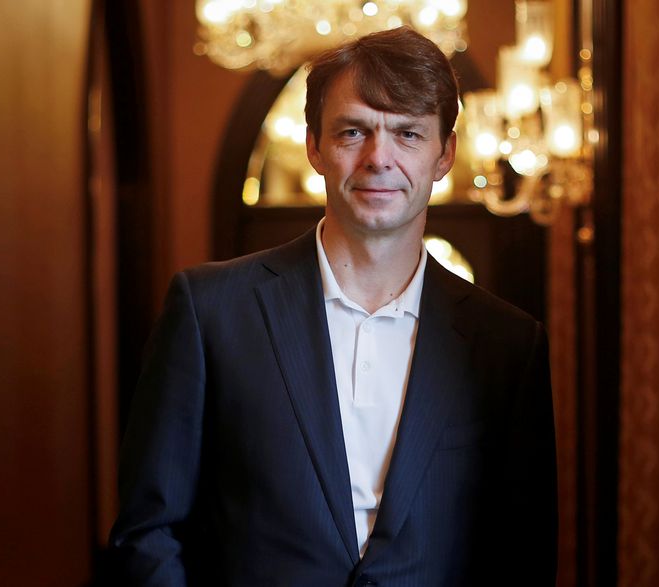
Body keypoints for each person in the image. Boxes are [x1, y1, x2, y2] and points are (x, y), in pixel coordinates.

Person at [108, 26, 557, 586]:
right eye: (353, 131)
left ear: (445, 154)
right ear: (315, 147)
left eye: (408, 134)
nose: (379, 158)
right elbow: (148, 531)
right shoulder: (209, 312)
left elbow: (524, 555)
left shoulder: (509, 344)